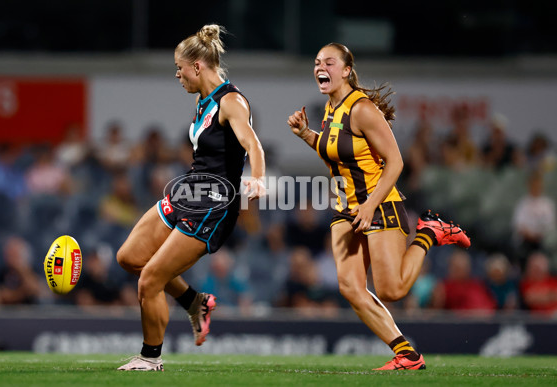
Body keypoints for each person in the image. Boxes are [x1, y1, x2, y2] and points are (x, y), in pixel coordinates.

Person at [287, 42, 470, 370]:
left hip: (379, 202)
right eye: (317, 62)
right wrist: (305, 134)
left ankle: (429, 233)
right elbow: (335, 150)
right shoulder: (331, 108)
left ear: (345, 71)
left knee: (392, 289)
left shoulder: (362, 109)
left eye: (329, 62)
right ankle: (407, 354)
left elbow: (396, 162)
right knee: (350, 288)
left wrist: (370, 205)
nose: (320, 67)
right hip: (347, 209)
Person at [116, 24, 266, 371]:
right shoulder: (203, 102)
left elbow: (252, 144)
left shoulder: (231, 101)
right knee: (129, 257)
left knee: (149, 279)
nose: (177, 74)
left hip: (213, 207)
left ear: (197, 66)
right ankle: (194, 301)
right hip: (189, 192)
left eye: (179, 67)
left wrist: (257, 180)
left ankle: (150, 358)